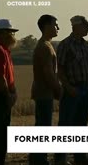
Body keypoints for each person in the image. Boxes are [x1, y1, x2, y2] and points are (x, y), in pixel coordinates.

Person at [54, 15, 88, 165]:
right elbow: (59, 70)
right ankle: (60, 159)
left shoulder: (86, 45)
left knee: (81, 124)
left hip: (86, 89)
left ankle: (80, 157)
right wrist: (68, 87)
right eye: (86, 26)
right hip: (72, 89)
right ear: (76, 26)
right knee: (66, 124)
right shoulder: (65, 45)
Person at [28, 14, 62, 165]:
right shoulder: (44, 46)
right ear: (47, 26)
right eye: (55, 24)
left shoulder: (46, 44)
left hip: (43, 92)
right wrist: (59, 90)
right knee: (43, 127)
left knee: (42, 126)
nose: (58, 28)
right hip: (43, 92)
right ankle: (39, 160)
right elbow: (48, 73)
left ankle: (38, 159)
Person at [0, 19, 18, 165]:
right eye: (11, 33)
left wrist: (13, 91)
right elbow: (0, 77)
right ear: (3, 34)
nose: (13, 36)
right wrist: (8, 96)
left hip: (2, 97)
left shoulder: (4, 50)